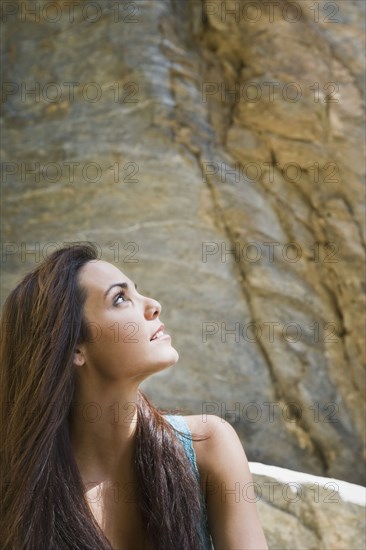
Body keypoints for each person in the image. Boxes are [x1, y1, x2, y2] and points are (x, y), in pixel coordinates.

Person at [0, 242, 268, 550]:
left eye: (136, 291)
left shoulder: (208, 446)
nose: (153, 305)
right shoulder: (20, 497)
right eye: (120, 299)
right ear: (74, 348)